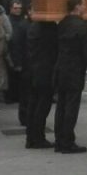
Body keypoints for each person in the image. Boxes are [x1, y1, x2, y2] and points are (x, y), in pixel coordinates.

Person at [53, 0, 87, 154]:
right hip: (74, 70)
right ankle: (67, 142)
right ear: (77, 6)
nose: (85, 8)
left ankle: (59, 141)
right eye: (84, 5)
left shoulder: (62, 23)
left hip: (61, 68)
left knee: (61, 106)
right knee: (71, 107)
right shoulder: (82, 26)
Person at [25, 15, 58, 149]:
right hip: (45, 71)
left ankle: (31, 137)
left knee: (33, 105)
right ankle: (38, 138)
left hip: (34, 69)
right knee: (42, 106)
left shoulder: (34, 26)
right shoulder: (49, 28)